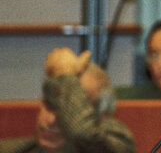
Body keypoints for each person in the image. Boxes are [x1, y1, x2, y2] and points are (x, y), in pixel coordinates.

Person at [0, 47, 134, 153]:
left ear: (102, 118)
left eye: (67, 109)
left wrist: (65, 74)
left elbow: (85, 134)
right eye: (49, 105)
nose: (51, 120)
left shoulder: (116, 143)